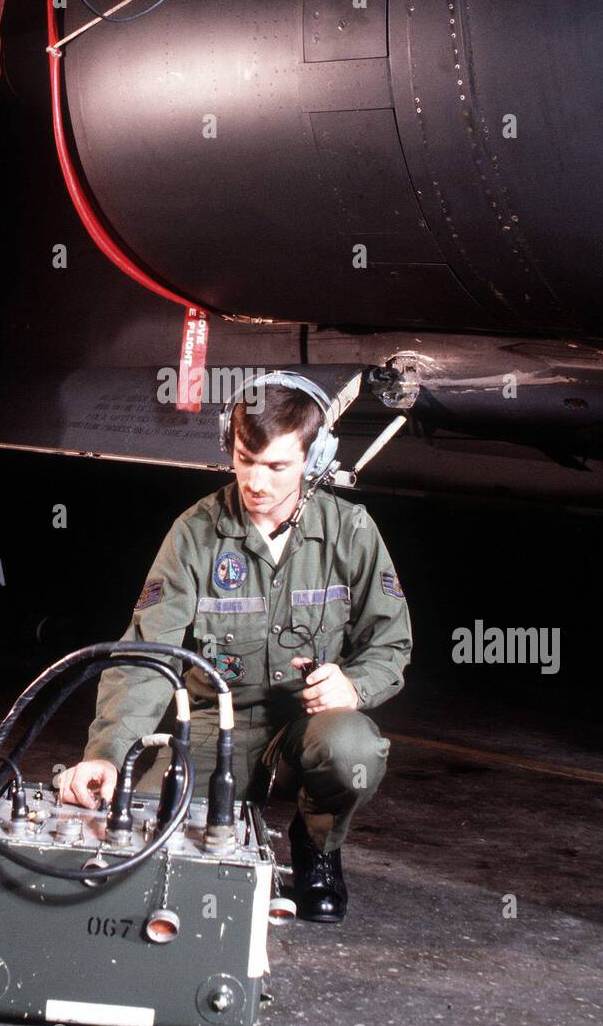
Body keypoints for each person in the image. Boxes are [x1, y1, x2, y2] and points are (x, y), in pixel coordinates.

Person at [58, 374, 412, 922]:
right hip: (213, 725)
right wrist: (107, 752)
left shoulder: (351, 532)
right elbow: (148, 655)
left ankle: (318, 846)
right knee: (142, 831)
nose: (257, 482)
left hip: (304, 727)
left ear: (313, 460)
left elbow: (390, 642)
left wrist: (354, 686)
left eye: (277, 467)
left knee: (352, 751)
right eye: (246, 460)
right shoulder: (194, 533)